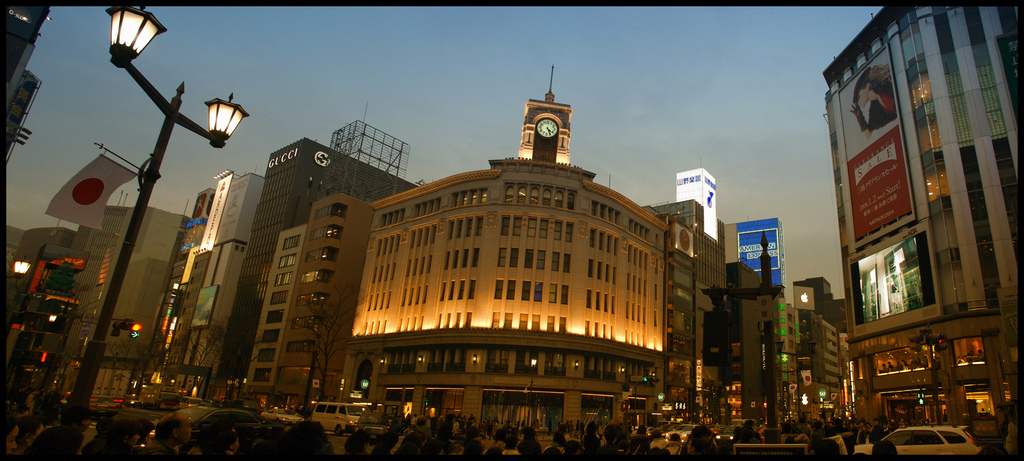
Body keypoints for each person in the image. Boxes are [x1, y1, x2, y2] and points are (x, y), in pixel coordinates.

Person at [850, 63, 898, 138]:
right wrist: (861, 119)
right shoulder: (875, 108)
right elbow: (868, 134)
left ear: (867, 87)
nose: (859, 102)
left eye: (859, 96)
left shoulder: (887, 86)